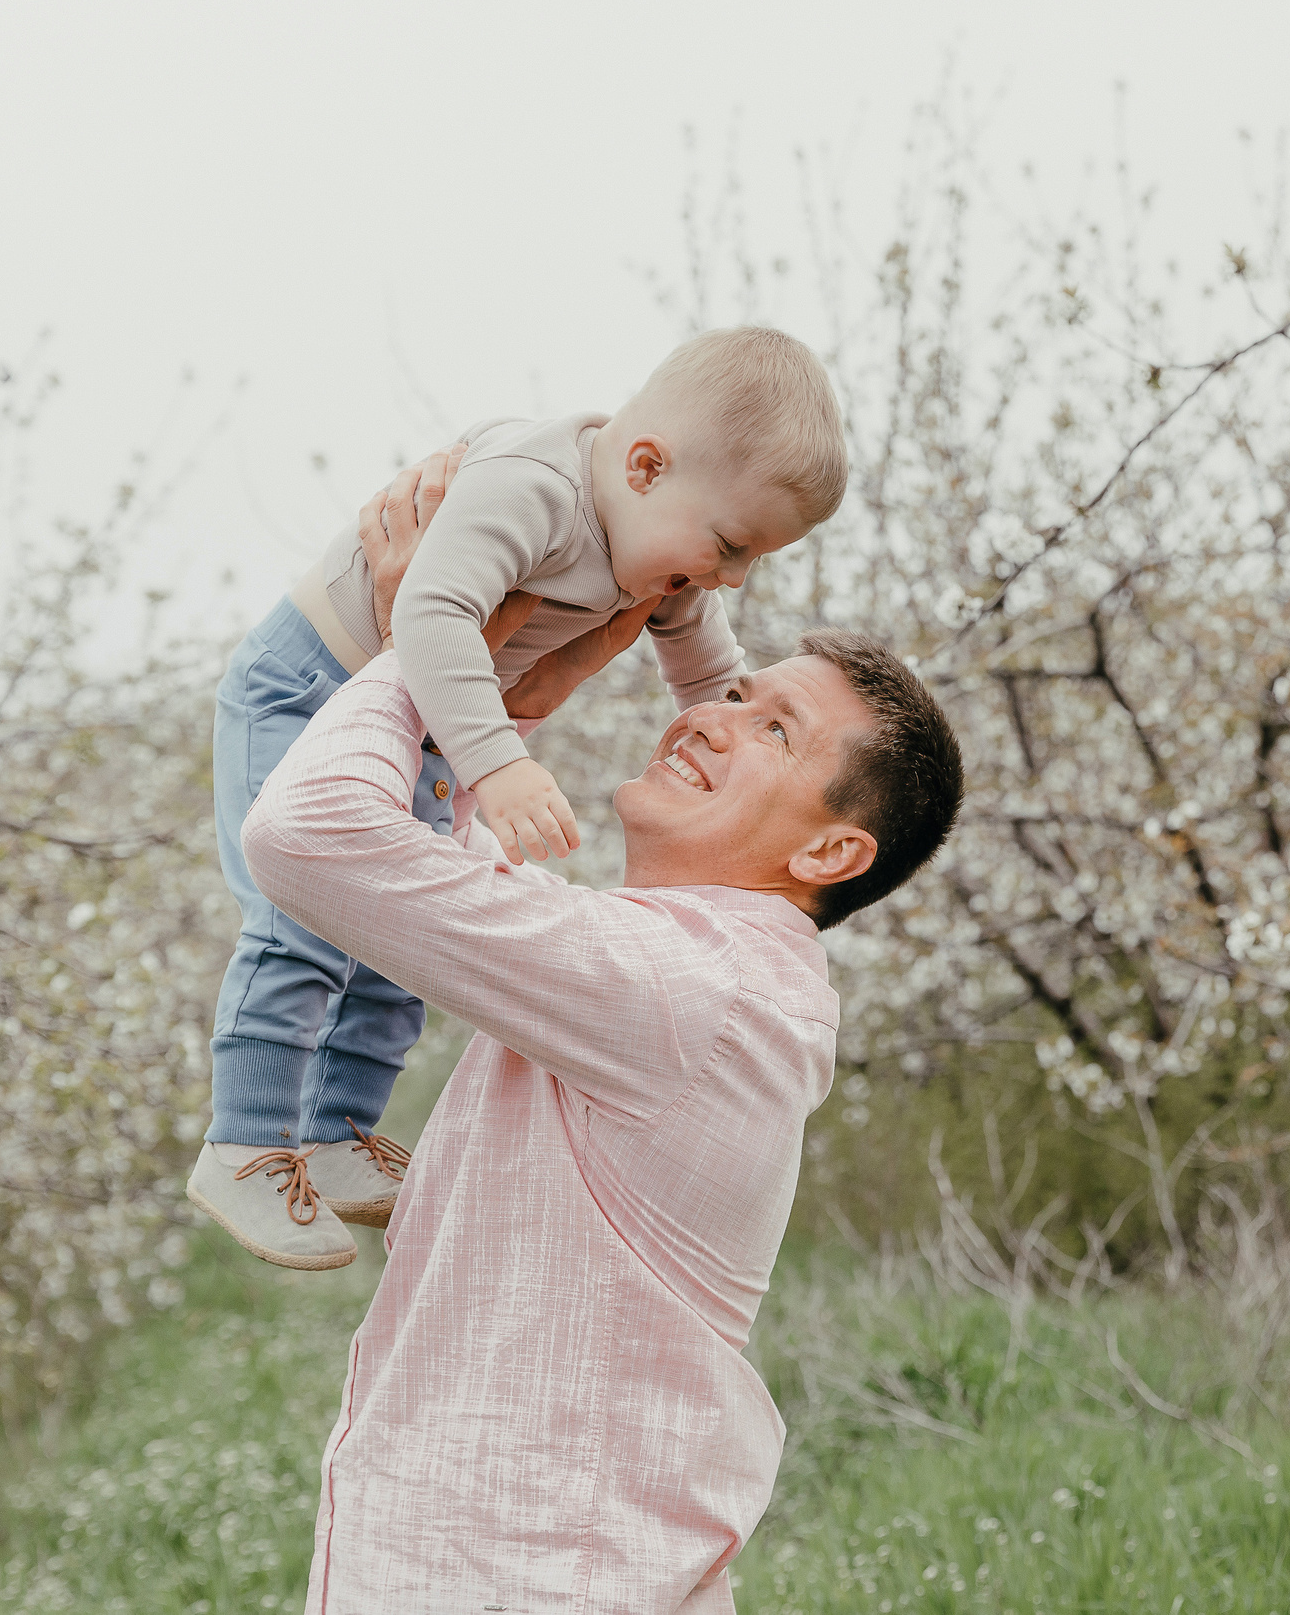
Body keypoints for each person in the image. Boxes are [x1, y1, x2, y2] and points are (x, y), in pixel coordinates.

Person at [238, 461, 963, 1611]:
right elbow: (433, 871)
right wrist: (488, 685)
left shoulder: (690, 992)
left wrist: (419, 640)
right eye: (734, 693)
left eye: (774, 730)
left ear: (829, 854)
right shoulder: (665, 970)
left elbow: (311, 832)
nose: (711, 719)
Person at [190, 328, 848, 1269]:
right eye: (731, 545)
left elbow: (712, 682)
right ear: (647, 466)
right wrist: (497, 764)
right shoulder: (536, 487)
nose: (731, 577)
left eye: (752, 562)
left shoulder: (663, 559)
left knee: (390, 929)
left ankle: (335, 1135)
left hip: (426, 724)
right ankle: (246, 1141)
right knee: (300, 918)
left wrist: (778, 772)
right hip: (308, 689)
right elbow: (429, 607)